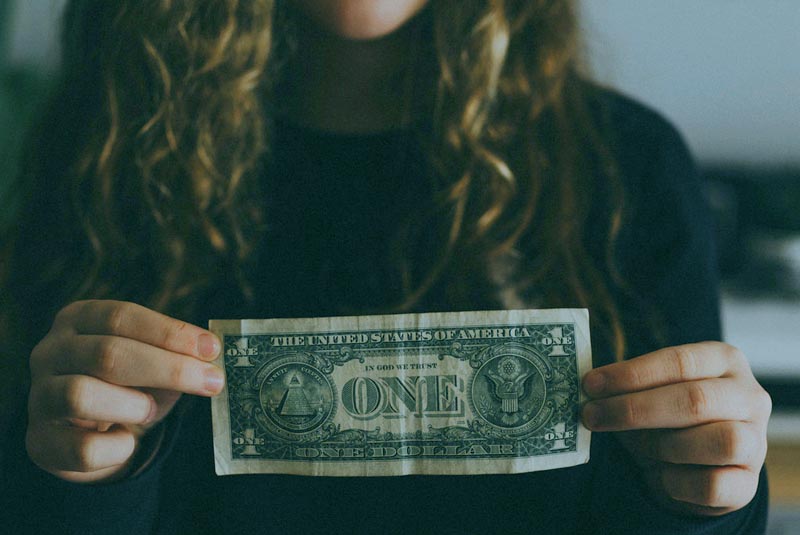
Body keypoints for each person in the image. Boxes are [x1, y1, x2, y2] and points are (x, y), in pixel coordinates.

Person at [0, 0, 771, 533]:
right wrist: (78, 480)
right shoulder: (96, 158)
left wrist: (708, 498)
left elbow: (684, 508)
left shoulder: (629, 168)